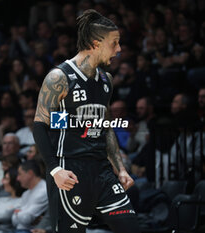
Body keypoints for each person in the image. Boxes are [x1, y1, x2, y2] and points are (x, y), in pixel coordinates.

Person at [33, 9, 139, 233]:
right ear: (95, 43)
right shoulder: (59, 78)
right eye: (114, 43)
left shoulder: (105, 80)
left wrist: (120, 168)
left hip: (102, 171)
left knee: (130, 227)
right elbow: (41, 126)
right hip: (70, 171)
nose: (119, 50)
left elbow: (105, 127)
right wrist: (54, 170)